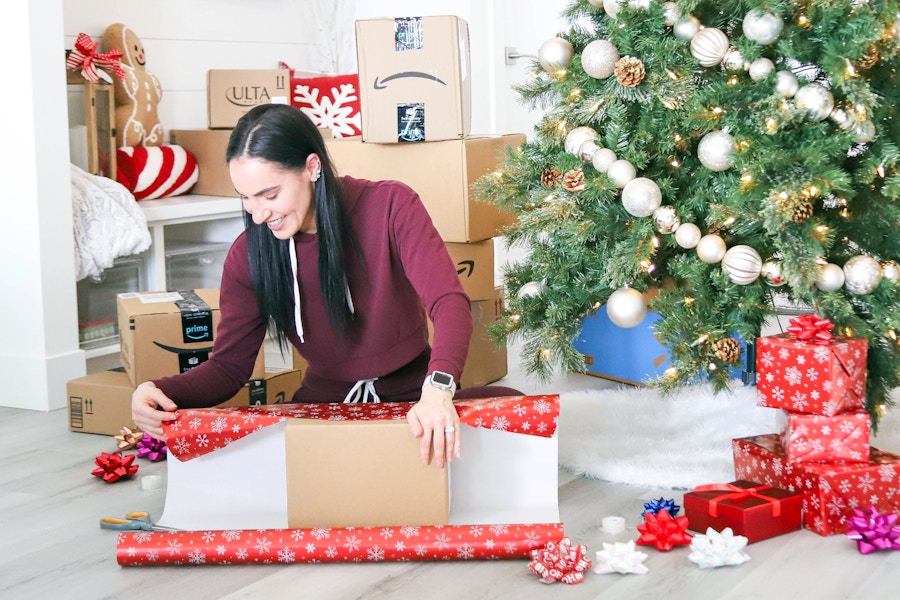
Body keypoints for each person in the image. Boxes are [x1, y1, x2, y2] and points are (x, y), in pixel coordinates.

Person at [132, 103, 522, 468]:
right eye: (246, 199)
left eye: (270, 194)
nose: (258, 213)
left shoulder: (391, 205)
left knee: (516, 410)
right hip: (322, 409)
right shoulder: (248, 255)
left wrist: (438, 390)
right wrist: (160, 391)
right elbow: (229, 368)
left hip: (413, 398)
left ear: (312, 167)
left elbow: (449, 302)